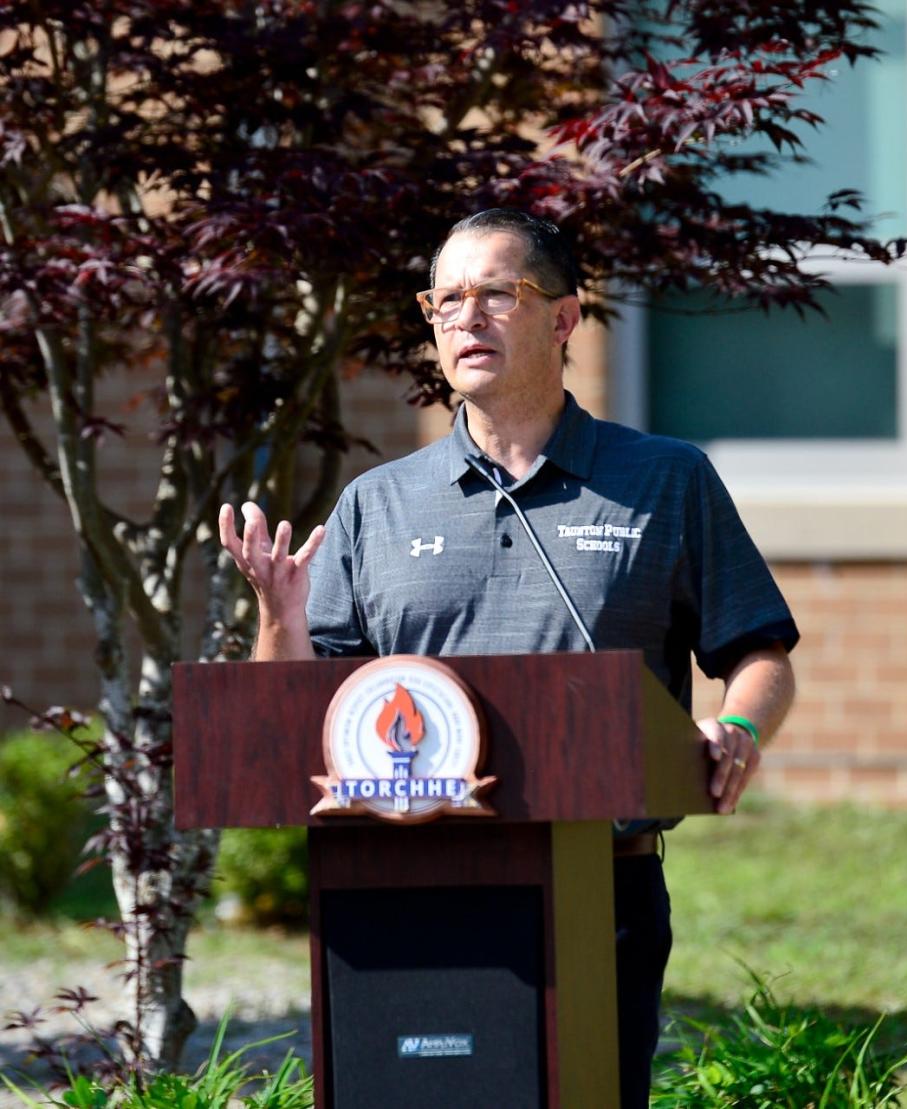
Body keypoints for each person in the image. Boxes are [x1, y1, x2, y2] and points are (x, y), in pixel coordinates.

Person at [219, 208, 798, 1106]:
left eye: (497, 293)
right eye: (445, 299)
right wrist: (279, 615)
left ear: (563, 318)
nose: (465, 318)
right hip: (404, 892)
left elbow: (759, 650)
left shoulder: (665, 478)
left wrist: (736, 727)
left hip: (601, 893)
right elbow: (298, 721)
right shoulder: (379, 502)